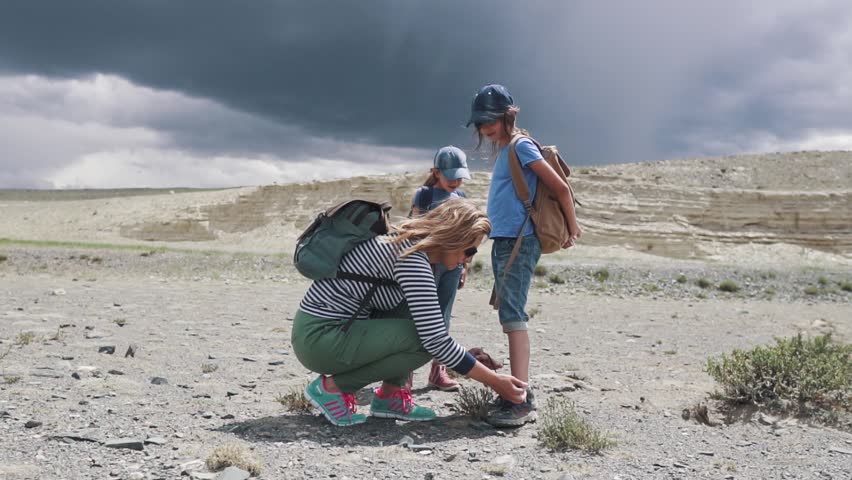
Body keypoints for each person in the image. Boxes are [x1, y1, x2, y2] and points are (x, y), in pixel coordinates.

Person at [291, 199, 528, 427]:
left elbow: (430, 328)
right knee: (423, 341)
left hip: (322, 333)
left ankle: (391, 396)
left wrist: (464, 358)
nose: (468, 259)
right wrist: (495, 382)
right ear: (454, 237)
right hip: (319, 338)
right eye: (469, 250)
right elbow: (434, 340)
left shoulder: (407, 245)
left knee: (418, 321)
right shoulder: (411, 259)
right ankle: (332, 388)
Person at [466, 84, 582, 427]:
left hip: (520, 240)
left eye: (491, 119)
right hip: (506, 241)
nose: (486, 127)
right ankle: (516, 390)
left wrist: (572, 229)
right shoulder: (506, 150)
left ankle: (520, 397)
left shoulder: (521, 146)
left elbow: (560, 187)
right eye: (480, 122)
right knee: (508, 313)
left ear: (507, 115)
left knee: (513, 315)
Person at [409, 146, 471, 392]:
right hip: (426, 266)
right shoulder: (423, 195)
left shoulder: (462, 198)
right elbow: (413, 232)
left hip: (452, 267)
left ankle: (438, 371)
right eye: (450, 176)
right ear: (436, 172)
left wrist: (465, 265)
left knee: (444, 316)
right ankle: (403, 374)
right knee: (417, 319)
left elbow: (467, 236)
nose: (455, 181)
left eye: (459, 176)